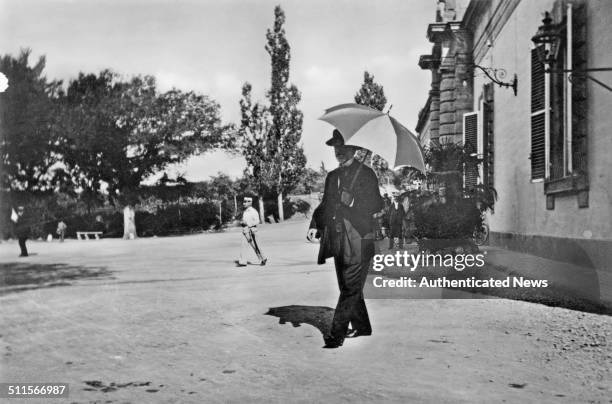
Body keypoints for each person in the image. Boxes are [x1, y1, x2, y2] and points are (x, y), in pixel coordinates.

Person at [307, 129, 383, 348]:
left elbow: (377, 204)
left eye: (343, 147)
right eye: (336, 147)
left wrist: (354, 203)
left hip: (359, 238)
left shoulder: (366, 174)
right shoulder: (332, 177)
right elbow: (325, 205)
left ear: (354, 149)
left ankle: (336, 334)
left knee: (350, 287)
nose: (339, 151)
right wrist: (315, 225)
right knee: (347, 286)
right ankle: (363, 326)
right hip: (338, 239)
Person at [235, 196, 267, 267]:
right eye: (244, 202)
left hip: (252, 231)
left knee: (256, 246)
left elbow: (257, 221)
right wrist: (242, 222)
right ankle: (243, 262)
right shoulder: (245, 211)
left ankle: (263, 258)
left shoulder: (253, 211)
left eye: (245, 202)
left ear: (250, 203)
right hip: (245, 230)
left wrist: (248, 224)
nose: (244, 203)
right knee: (243, 246)